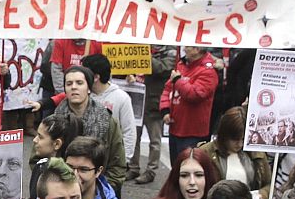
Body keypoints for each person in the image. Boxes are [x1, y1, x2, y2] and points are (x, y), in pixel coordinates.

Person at [54, 65, 128, 186]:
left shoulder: (106, 120)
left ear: (89, 88)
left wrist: (102, 190)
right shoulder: (53, 121)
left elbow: (117, 164)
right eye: (69, 84)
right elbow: (39, 158)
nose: (74, 87)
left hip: (98, 189)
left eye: (79, 83)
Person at [195, 107, 271, 199]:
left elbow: (269, 184)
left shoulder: (256, 152)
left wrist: (262, 195)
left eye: (243, 139)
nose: (240, 144)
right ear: (224, 135)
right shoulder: (205, 152)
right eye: (235, 139)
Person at [164, 44, 219, 165]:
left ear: (197, 49)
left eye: (188, 47)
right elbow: (168, 88)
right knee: (176, 167)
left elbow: (194, 95)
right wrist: (166, 110)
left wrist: (178, 80)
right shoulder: (181, 65)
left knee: (189, 167)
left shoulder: (208, 72)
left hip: (193, 133)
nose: (184, 49)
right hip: (175, 127)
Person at [131, 42, 177, 184]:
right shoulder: (143, 49)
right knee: (134, 138)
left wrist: (143, 55)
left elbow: (162, 68)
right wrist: (130, 75)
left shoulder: (171, 52)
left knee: (155, 141)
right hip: (138, 102)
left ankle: (151, 171)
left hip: (154, 104)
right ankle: (133, 167)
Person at [28, 110, 81, 199]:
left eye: (40, 137)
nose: (35, 140)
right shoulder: (40, 166)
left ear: (57, 144)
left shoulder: (43, 169)